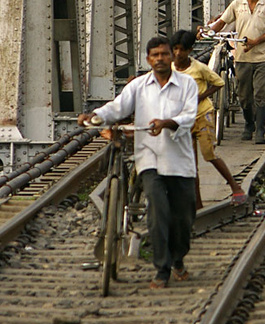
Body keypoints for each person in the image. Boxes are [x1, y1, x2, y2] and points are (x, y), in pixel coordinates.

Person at [77, 36, 198, 289]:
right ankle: (162, 270)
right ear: (148, 60)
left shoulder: (187, 84)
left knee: (183, 218)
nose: (161, 59)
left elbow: (189, 116)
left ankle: (178, 259)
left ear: (171, 57)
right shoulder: (139, 86)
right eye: (155, 55)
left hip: (179, 159)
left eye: (165, 54)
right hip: (149, 157)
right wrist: (96, 116)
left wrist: (166, 123)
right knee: (157, 212)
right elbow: (118, 107)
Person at [170, 29, 247, 208]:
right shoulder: (171, 69)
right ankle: (197, 204)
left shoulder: (198, 68)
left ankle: (235, 187)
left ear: (190, 50)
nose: (178, 53)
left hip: (202, 115)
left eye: (182, 49)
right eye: (175, 49)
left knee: (209, 154)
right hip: (183, 120)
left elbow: (218, 83)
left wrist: (201, 96)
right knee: (191, 164)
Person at [202, 0, 265, 144]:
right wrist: (209, 32)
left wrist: (256, 42)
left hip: (262, 57)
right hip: (243, 57)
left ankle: (260, 130)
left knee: (260, 93)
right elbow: (222, 21)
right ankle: (249, 124)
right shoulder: (237, 5)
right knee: (244, 95)